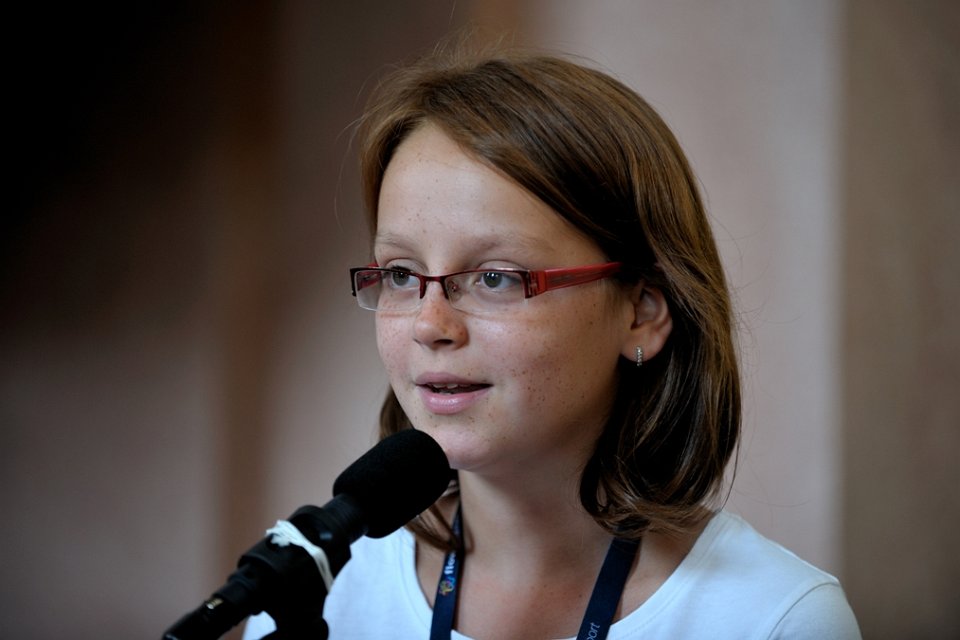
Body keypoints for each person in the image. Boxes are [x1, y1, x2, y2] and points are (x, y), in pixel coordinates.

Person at [245, 47, 860, 639]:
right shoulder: (314, 594)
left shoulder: (774, 621)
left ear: (641, 313)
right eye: (402, 274)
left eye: (495, 278)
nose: (429, 325)